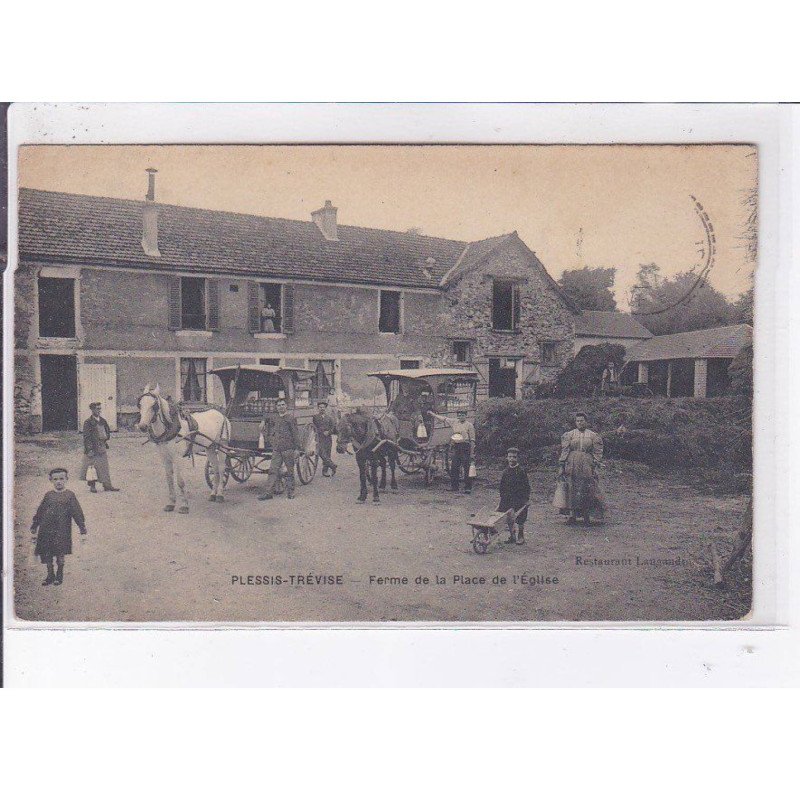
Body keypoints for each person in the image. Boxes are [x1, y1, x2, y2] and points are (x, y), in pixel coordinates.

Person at [30, 467, 87, 586]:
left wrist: (82, 527)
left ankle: (59, 575)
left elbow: (77, 512)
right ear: (51, 480)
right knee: (47, 553)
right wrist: (35, 524)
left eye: (61, 478)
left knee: (60, 553)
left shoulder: (70, 495)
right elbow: (41, 511)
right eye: (55, 479)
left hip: (62, 530)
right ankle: (50, 575)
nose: (58, 481)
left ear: (66, 479)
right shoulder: (48, 495)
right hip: (46, 529)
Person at [558, 411, 604, 525]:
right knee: (571, 487)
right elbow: (565, 450)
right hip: (572, 461)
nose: (579, 423)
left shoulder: (593, 435)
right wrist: (562, 464)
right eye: (577, 421)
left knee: (587, 487)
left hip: (586, 463)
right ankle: (572, 515)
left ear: (586, 422)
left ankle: (586, 515)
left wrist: (595, 463)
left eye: (582, 421)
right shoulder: (570, 434)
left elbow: (597, 451)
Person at [258, 398, 304, 500]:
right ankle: (268, 493)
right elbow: (266, 416)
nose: (281, 407)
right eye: (279, 405)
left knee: (290, 471)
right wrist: (262, 421)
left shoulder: (290, 418)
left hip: (288, 449)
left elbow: (295, 434)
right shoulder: (276, 418)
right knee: (273, 471)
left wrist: (297, 449)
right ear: (276, 407)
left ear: (286, 406)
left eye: (283, 404)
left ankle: (291, 492)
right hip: (277, 449)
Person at [429, 408, 475, 493]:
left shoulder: (469, 425)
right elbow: (443, 419)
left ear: (466, 416)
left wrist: (472, 453)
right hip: (457, 447)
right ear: (457, 416)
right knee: (454, 467)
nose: (461, 417)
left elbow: (472, 440)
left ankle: (468, 488)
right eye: (460, 415)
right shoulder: (454, 422)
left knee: (466, 468)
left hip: (465, 447)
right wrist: (433, 414)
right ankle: (454, 487)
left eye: (463, 415)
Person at [80, 402, 120, 492]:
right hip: (92, 448)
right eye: (97, 409)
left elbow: (107, 431)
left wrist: (105, 439)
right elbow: (86, 437)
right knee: (92, 468)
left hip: (101, 447)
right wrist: (89, 449)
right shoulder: (88, 422)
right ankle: (92, 486)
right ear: (92, 410)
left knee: (104, 467)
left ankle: (107, 485)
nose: (99, 410)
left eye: (99, 408)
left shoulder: (102, 420)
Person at [497, 447, 531, 545]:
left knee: (520, 518)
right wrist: (502, 496)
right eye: (510, 457)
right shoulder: (506, 471)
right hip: (507, 498)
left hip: (519, 498)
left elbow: (526, 486)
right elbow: (502, 486)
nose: (512, 459)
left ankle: (521, 536)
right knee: (507, 517)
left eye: (514, 457)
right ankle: (512, 536)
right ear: (507, 458)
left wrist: (526, 499)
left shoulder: (521, 471)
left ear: (517, 458)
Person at [313, 399, 337, 477]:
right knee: (321, 453)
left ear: (325, 408)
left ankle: (325, 471)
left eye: (323, 407)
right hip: (319, 438)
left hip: (328, 438)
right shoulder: (315, 417)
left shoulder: (329, 418)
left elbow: (333, 427)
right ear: (318, 408)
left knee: (327, 454)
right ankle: (333, 465)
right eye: (320, 407)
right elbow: (314, 427)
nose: (322, 408)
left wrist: (329, 432)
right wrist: (319, 432)